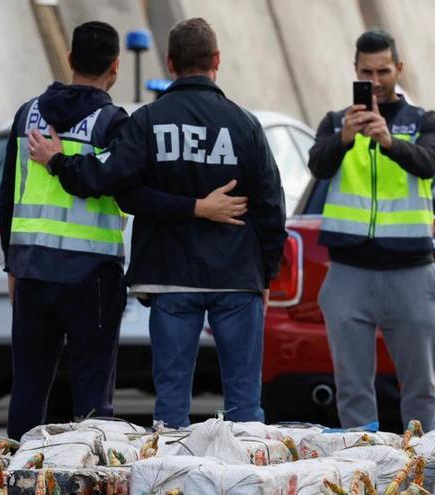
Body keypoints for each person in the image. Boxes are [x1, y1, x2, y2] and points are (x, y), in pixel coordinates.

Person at [29, 17, 287, 429]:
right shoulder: (245, 125)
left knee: (170, 413)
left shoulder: (147, 121)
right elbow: (272, 208)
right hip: (237, 277)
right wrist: (267, 273)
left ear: (169, 63)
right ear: (217, 60)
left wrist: (58, 161)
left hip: (170, 277)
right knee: (244, 410)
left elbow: (113, 185)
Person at [306, 29, 435, 431]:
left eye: (384, 70)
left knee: (420, 385)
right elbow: (318, 166)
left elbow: (430, 163)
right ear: (355, 71)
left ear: (398, 69)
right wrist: (344, 139)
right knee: (351, 387)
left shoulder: (424, 121)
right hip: (349, 272)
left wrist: (389, 142)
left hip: (410, 272)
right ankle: (360, 473)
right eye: (367, 72)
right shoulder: (336, 122)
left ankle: (421, 472)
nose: (376, 80)